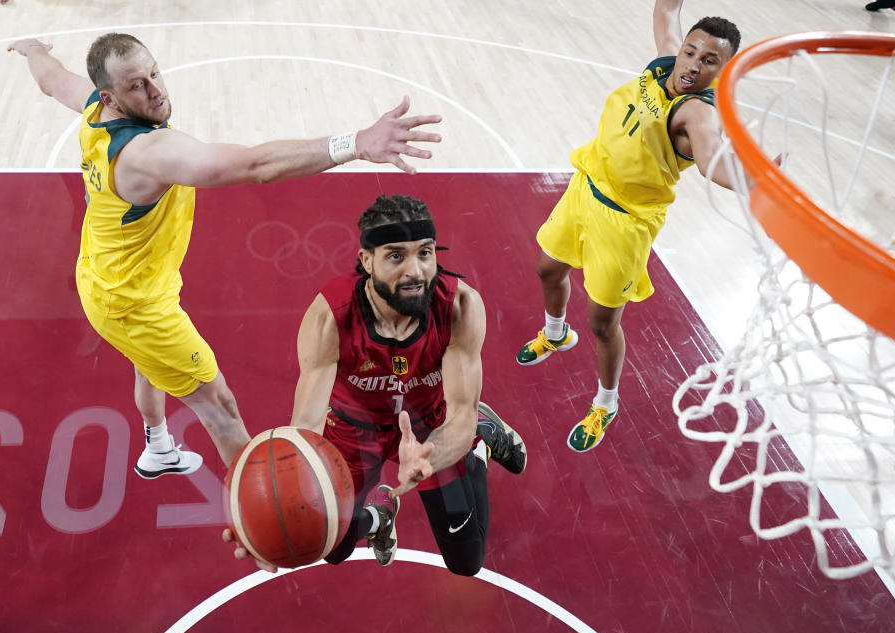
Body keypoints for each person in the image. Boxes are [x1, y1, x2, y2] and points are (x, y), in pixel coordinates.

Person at [7, 34, 442, 484]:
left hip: (106, 275)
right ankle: (262, 523)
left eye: (154, 73)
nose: (156, 90)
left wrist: (33, 50)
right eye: (138, 86)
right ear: (113, 97)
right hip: (135, 305)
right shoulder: (148, 153)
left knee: (149, 364)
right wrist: (357, 143)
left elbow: (53, 81)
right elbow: (255, 166)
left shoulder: (96, 108)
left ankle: (157, 450)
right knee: (221, 408)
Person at [229, 194, 527, 574]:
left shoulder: (460, 307)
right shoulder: (330, 319)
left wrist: (431, 455)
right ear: (366, 261)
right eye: (396, 256)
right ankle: (380, 517)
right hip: (354, 430)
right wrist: (263, 523)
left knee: (466, 562)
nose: (416, 271)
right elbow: (305, 427)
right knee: (331, 545)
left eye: (425, 253)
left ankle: (479, 444)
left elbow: (460, 415)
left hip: (431, 427)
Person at [514, 0, 741, 453]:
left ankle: (606, 402)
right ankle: (556, 335)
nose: (693, 64)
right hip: (585, 188)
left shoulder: (697, 113)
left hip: (626, 222)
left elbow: (715, 162)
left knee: (602, 323)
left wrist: (760, 180)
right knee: (548, 269)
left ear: (724, 72)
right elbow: (665, 15)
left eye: (709, 61)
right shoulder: (667, 64)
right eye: (692, 52)